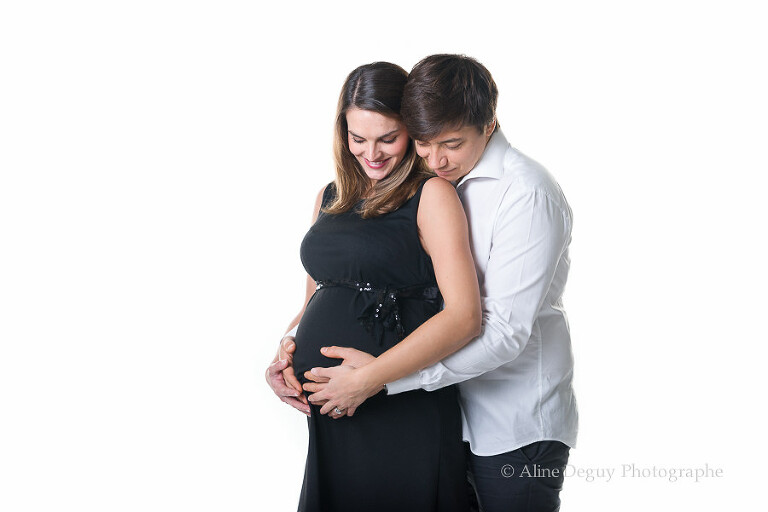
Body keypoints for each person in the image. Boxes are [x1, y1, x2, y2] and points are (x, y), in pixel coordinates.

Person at [271, 54, 579, 512]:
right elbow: (327, 289)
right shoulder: (438, 178)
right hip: (424, 406)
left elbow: (498, 329)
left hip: (511, 421)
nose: (436, 159)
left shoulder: (522, 192)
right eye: (425, 143)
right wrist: (291, 344)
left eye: (449, 144)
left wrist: (379, 379)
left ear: (489, 123)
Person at [267, 61, 482, 512]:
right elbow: (316, 298)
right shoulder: (330, 196)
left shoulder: (432, 195)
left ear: (413, 130)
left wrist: (367, 380)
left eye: (388, 138)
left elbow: (464, 317)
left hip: (399, 406)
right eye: (358, 138)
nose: (373, 153)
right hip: (334, 413)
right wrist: (285, 349)